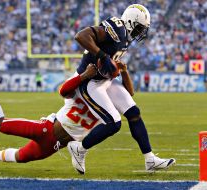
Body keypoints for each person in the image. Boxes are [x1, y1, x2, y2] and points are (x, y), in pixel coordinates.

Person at [64, 4, 175, 173]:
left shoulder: (125, 37)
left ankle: (150, 159)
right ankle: (79, 148)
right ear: (130, 22)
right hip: (90, 81)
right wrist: (102, 55)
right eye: (139, 28)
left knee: (133, 112)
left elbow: (129, 92)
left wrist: (119, 68)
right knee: (113, 123)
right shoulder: (117, 27)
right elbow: (81, 36)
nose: (140, 33)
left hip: (105, 80)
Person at [0, 64, 97, 172]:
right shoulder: (84, 89)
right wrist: (84, 75)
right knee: (1, 124)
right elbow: (64, 90)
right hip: (45, 129)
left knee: (21, 157)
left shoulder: (108, 102)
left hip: (56, 145)